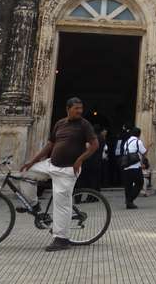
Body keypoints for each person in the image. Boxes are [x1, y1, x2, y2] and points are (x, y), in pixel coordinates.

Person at [19, 97, 99, 252]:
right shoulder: (60, 124)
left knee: (61, 204)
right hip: (51, 164)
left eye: (81, 108)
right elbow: (50, 145)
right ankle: (34, 204)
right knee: (25, 174)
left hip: (68, 170)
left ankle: (61, 239)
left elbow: (95, 145)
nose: (80, 111)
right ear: (68, 109)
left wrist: (80, 160)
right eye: (76, 108)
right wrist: (32, 161)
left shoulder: (84, 125)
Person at [122, 127, 147, 209]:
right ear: (139, 134)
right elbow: (143, 152)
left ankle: (129, 203)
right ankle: (129, 200)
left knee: (128, 185)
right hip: (135, 166)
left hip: (126, 167)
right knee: (140, 183)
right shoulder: (138, 141)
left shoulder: (126, 142)